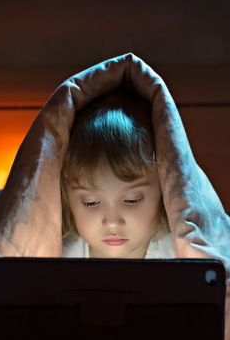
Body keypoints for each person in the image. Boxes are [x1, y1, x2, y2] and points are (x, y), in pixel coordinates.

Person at [60, 90, 175, 259]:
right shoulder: (55, 258)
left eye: (132, 200)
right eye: (90, 203)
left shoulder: (186, 256)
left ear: (163, 193)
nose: (112, 223)